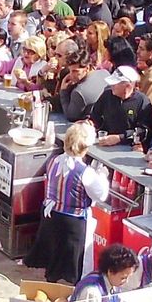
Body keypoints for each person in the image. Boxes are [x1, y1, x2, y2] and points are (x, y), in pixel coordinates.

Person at [25, 122, 109, 286]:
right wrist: (103, 176)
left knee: (54, 256)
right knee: (75, 264)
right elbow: (101, 195)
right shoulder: (86, 172)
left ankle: (51, 283)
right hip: (73, 223)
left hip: (51, 217)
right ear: (85, 148)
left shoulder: (55, 160)